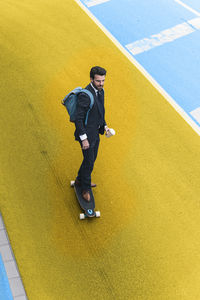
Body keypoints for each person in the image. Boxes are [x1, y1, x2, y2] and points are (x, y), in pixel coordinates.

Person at [74, 66, 110, 202]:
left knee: (92, 159)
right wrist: (84, 139)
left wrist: (105, 126)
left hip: (95, 133)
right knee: (89, 162)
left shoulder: (101, 91)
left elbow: (100, 111)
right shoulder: (85, 95)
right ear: (91, 79)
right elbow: (78, 119)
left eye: (103, 80)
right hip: (86, 136)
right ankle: (85, 188)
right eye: (98, 81)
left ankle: (79, 179)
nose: (101, 84)